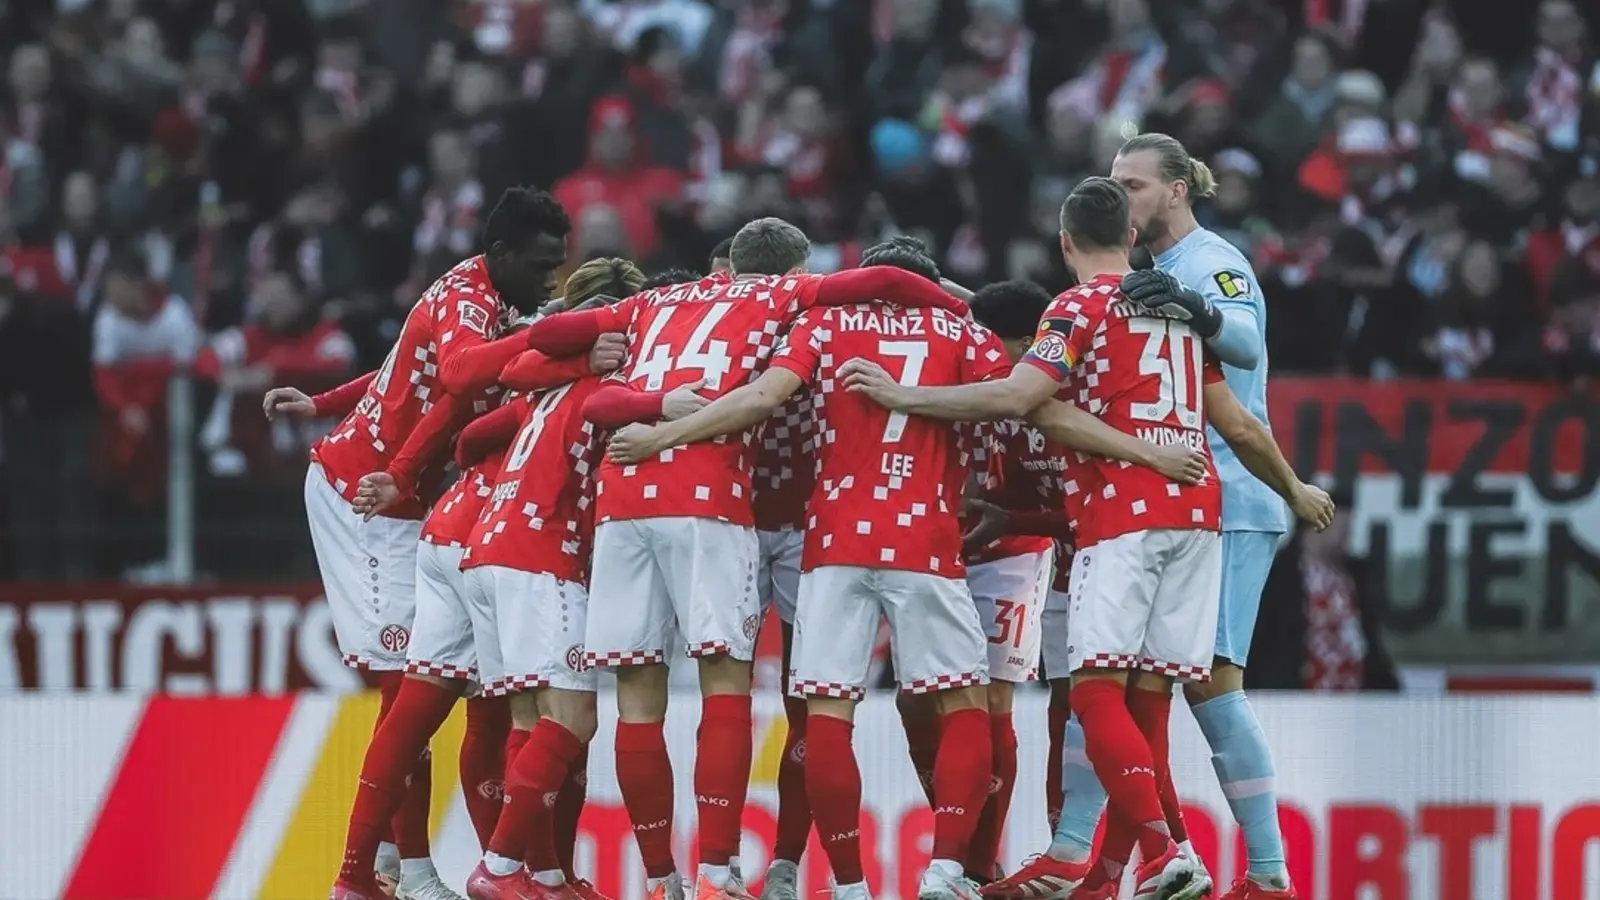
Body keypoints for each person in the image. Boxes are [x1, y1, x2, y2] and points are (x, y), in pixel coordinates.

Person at [603, 237, 1215, 900]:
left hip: (831, 538)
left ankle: (845, 884)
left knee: (826, 713)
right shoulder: (963, 330)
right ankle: (950, 870)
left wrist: (660, 431)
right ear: (931, 284)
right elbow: (1011, 404)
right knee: (970, 706)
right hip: (929, 538)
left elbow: (768, 398)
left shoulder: (820, 323)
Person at [837, 178, 1333, 900]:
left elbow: (1017, 397)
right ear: (1130, 238)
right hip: (1198, 519)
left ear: (1065, 242)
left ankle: (1166, 855)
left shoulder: (1074, 308)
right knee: (1149, 698)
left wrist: (899, 395)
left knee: (1096, 690)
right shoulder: (1172, 312)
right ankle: (1126, 866)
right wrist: (1295, 488)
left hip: (1123, 520)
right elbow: (1240, 425)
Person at [513, 218, 977, 900]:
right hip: (755, 509)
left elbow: (541, 348)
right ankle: (729, 872)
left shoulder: (668, 306)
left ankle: (678, 878)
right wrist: (957, 303)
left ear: (727, 268)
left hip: (663, 500)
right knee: (797, 697)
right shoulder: (804, 308)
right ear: (796, 273)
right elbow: (879, 285)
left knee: (656, 697)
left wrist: (601, 366)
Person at [264, 186, 578, 900]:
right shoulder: (469, 300)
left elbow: (409, 372)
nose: (549, 280)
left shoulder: (491, 302)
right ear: (499, 256)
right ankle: (397, 870)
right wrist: (555, 333)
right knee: (408, 684)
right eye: (539, 265)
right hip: (362, 499)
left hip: (400, 498)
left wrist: (323, 402)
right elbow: (464, 372)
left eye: (558, 267)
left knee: (433, 686)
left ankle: (395, 867)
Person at [1111, 132, 1301, 900]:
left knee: (1212, 681)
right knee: (1135, 680)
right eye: (1115, 186)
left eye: (1133, 185)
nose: (1122, 197)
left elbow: (1247, 346)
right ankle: (1155, 860)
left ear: (1178, 189)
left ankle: (1267, 873)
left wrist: (1196, 310)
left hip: (1232, 496)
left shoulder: (1211, 264)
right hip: (1185, 497)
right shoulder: (1151, 272)